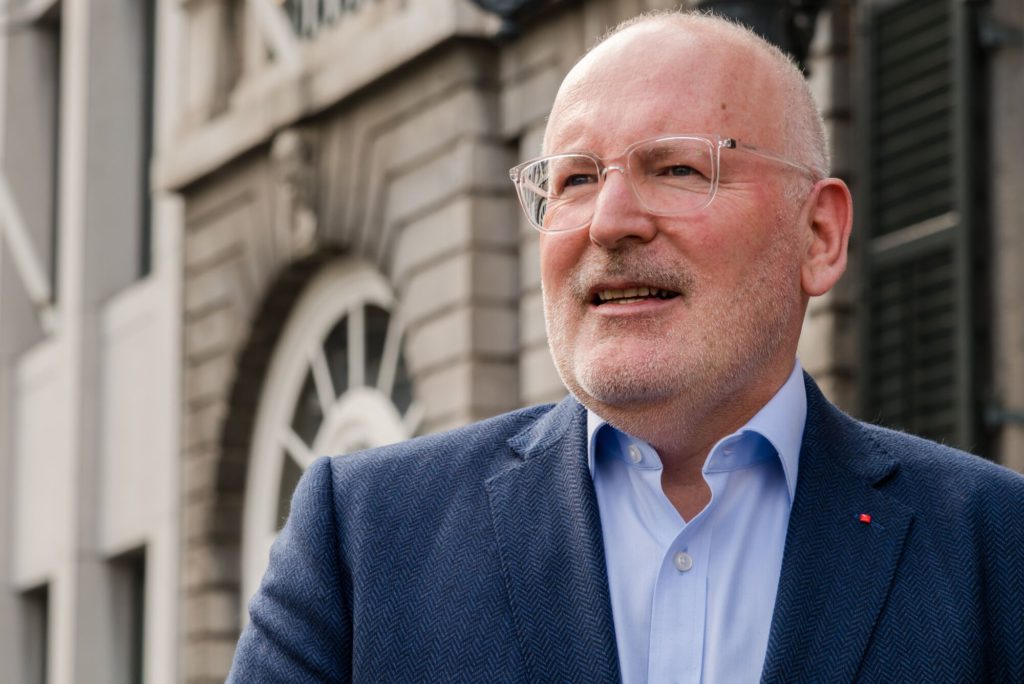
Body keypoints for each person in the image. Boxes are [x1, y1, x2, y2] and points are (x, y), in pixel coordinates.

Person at [229, 11, 1024, 683]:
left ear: (818, 235)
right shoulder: (362, 542)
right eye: (574, 181)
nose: (609, 223)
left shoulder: (995, 548)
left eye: (676, 168)